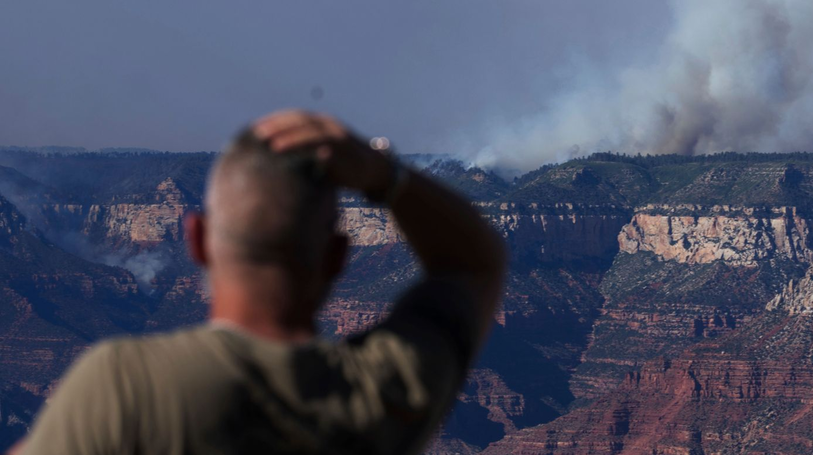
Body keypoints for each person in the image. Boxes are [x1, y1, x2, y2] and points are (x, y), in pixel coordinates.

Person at [11, 110, 508, 455]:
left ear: (197, 239)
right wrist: (383, 173)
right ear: (338, 257)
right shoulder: (381, 391)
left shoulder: (123, 383)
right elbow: (474, 264)